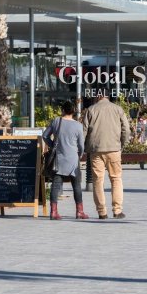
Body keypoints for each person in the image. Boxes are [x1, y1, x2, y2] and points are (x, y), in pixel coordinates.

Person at [83, 88, 131, 219]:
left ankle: (102, 212)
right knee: (116, 179)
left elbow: (84, 131)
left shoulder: (90, 110)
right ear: (107, 96)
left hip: (96, 150)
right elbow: (126, 129)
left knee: (98, 181)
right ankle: (117, 210)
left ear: (98, 95)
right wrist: (122, 144)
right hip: (114, 149)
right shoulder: (118, 109)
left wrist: (83, 147)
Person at [42, 101, 87, 220]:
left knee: (56, 185)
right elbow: (81, 145)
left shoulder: (57, 121)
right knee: (76, 185)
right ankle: (79, 212)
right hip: (73, 159)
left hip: (59, 159)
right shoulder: (78, 125)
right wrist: (80, 155)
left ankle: (53, 212)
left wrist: (52, 145)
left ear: (63, 110)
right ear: (73, 112)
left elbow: (45, 136)